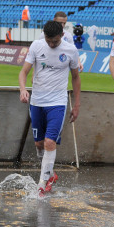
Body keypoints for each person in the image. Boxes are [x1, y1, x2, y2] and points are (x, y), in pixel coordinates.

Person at [18, 20, 80, 197]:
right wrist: (23, 90)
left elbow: (76, 78)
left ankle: (42, 184)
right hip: (37, 101)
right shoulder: (37, 46)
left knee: (49, 142)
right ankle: (50, 174)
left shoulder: (70, 50)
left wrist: (76, 104)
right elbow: (23, 72)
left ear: (62, 35)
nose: (51, 44)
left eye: (55, 41)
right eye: (48, 41)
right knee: (39, 144)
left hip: (57, 103)